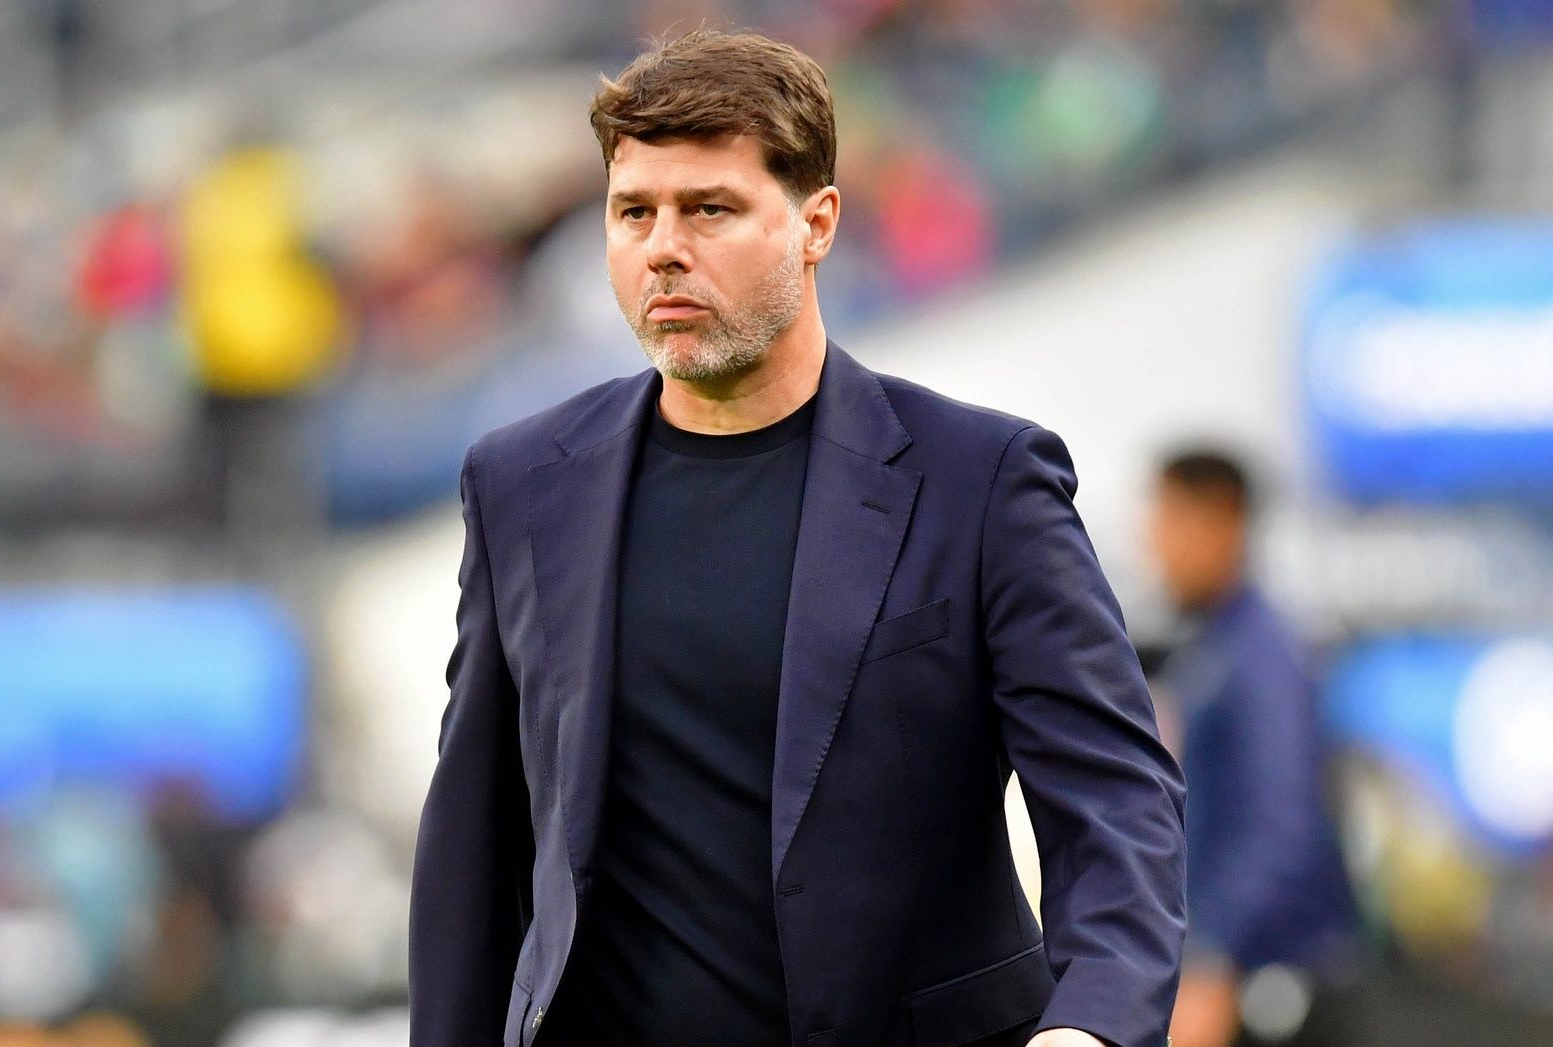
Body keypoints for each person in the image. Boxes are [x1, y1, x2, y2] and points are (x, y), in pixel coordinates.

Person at [410, 28, 1186, 1047]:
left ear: (816, 223)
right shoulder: (519, 484)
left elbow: (1111, 797)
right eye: (632, 211)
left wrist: (1088, 1028)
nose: (663, 247)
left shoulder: (979, 482)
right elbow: (478, 842)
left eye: (710, 210)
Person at [1146, 451, 1359, 1047]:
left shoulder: (1261, 656)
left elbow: (1284, 826)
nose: (1156, 545)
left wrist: (1215, 961)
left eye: (1170, 521)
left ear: (1221, 521)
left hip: (1273, 987)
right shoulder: (1214, 645)